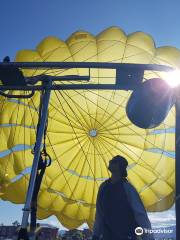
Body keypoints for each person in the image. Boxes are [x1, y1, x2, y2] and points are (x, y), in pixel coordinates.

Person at [92, 155, 154, 240]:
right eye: (112, 159)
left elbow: (140, 215)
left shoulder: (128, 188)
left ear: (120, 167)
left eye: (115, 160)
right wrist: (95, 235)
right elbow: (99, 214)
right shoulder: (103, 187)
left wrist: (149, 238)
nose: (111, 160)